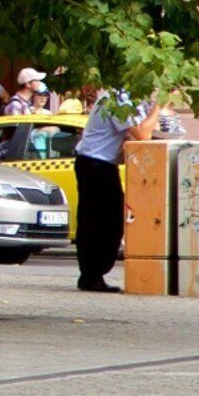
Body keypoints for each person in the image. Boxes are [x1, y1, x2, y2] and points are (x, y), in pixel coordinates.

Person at [73, 87, 131, 291]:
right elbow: (143, 133)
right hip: (97, 165)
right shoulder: (119, 100)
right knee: (102, 221)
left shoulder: (114, 97)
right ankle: (91, 275)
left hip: (98, 163)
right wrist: (158, 107)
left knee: (100, 220)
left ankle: (92, 274)